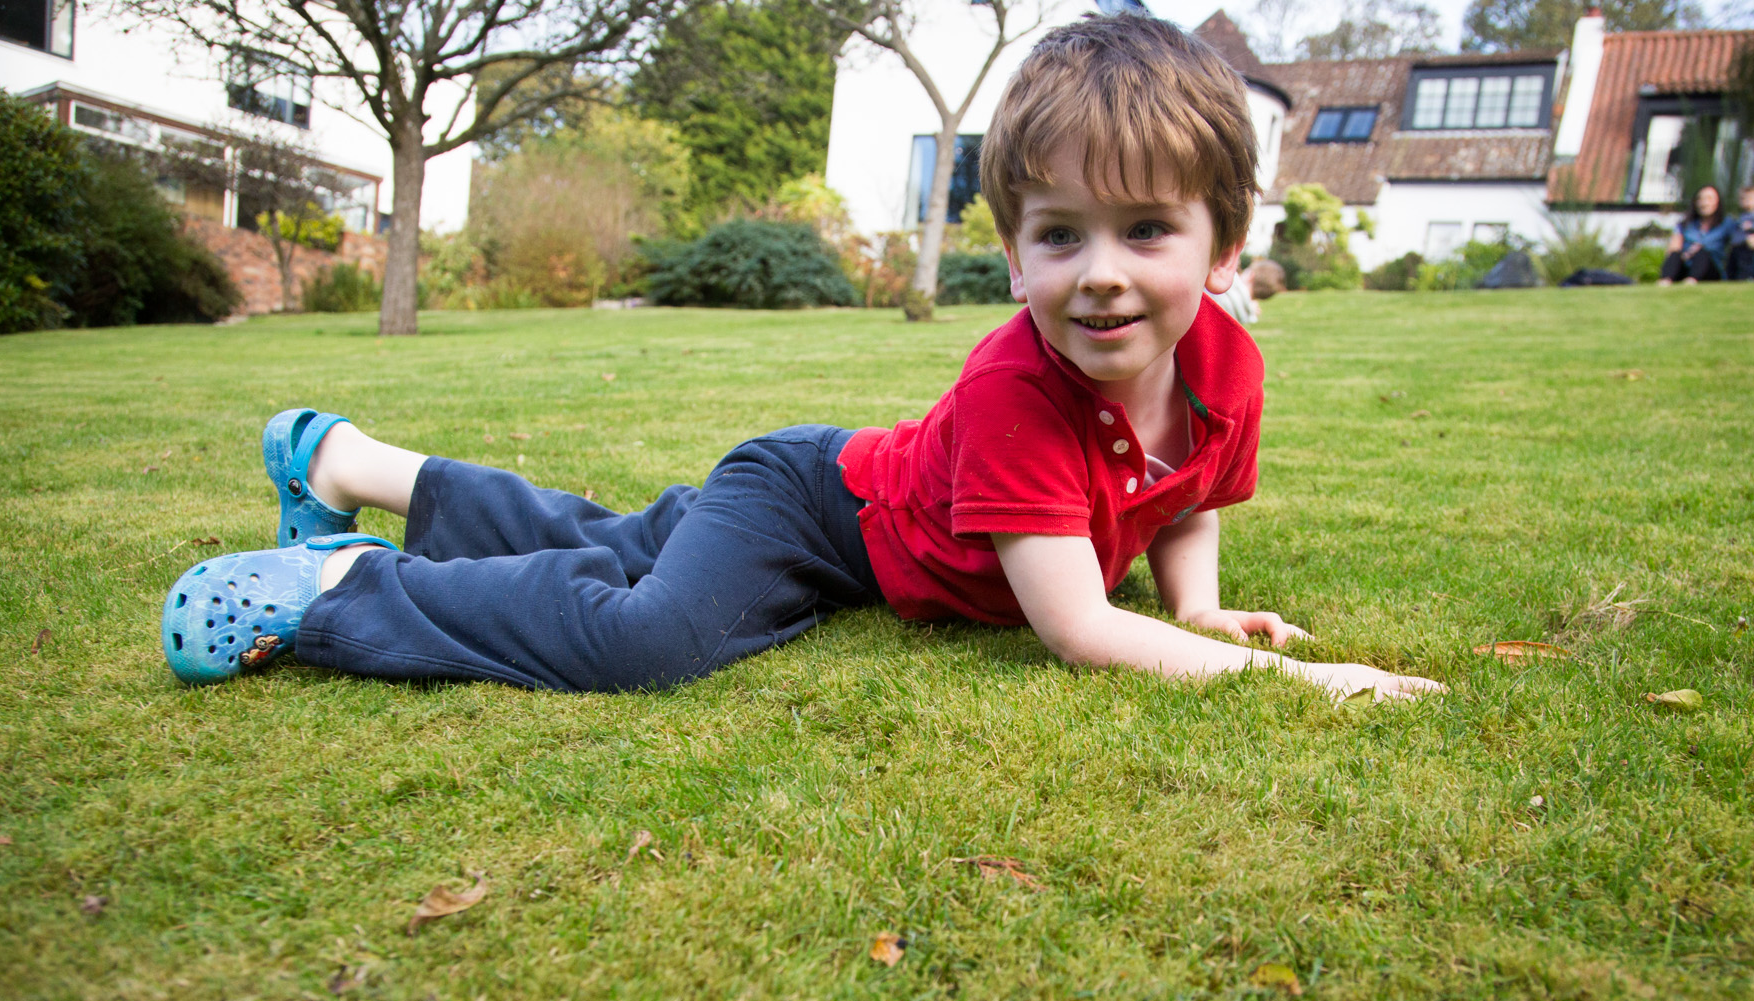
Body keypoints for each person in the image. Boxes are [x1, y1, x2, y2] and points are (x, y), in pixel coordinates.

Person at [160, 13, 1444, 705]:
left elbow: (1186, 495)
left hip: (855, 513)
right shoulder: (1015, 392)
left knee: (609, 541)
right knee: (649, 634)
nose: (1100, 270)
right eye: (1061, 234)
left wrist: (1201, 604)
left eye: (1146, 229)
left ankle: (342, 458)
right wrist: (1309, 685)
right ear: (1012, 257)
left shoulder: (1226, 366)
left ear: (1225, 249)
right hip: (812, 509)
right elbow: (1076, 629)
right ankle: (338, 593)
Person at [1658, 185, 1732, 285]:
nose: (1704, 203)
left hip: (1710, 270)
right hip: (1687, 264)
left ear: (1717, 202)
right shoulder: (1686, 225)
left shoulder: (1727, 224)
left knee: (1702, 254)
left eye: (1709, 199)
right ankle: (1665, 281)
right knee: (1675, 255)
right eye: (1700, 199)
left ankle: (1691, 281)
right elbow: (1674, 247)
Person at [1726, 184, 1754, 280]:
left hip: (1751, 246)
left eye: (1750, 198)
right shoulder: (1741, 216)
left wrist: (1752, 226)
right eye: (1743, 198)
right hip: (1739, 245)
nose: (1746, 201)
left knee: (1748, 261)